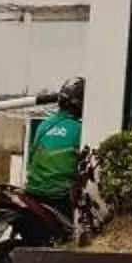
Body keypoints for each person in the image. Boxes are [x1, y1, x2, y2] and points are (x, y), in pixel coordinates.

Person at [24, 78, 85, 209]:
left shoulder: (44, 125)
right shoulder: (82, 130)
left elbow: (31, 157)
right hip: (59, 197)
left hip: (32, 192)